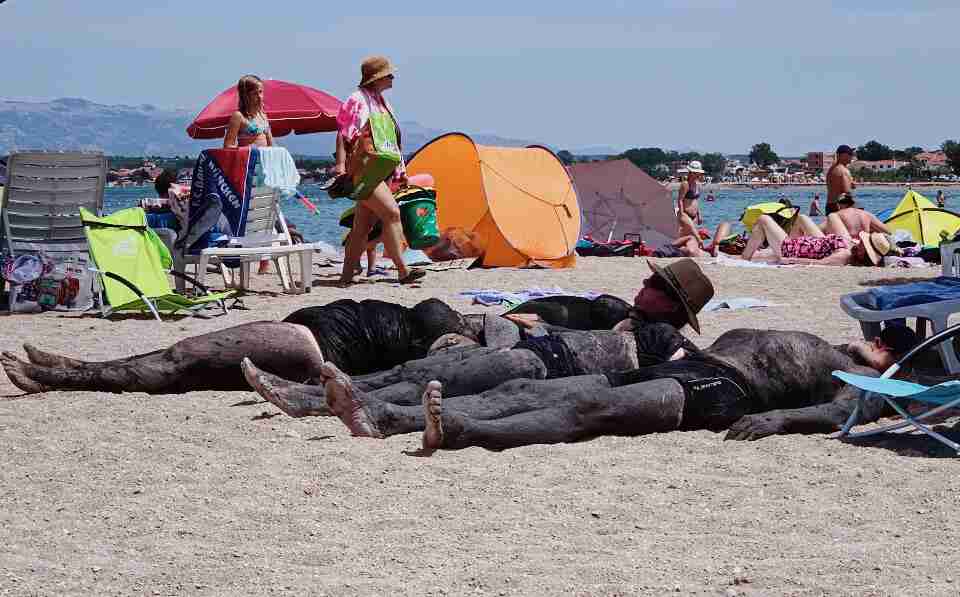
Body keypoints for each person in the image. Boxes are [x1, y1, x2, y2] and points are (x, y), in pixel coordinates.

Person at [0, 261, 715, 399]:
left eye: (657, 285)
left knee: (194, 356)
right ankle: (73, 372)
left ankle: (71, 374)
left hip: (343, 343)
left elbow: (522, 340)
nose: (644, 283)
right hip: (361, 325)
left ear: (664, 305)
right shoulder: (600, 309)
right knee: (196, 366)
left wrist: (488, 332)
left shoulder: (631, 337)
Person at [244, 320, 919, 453]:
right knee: (540, 392)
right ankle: (377, 414)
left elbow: (842, 412)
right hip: (688, 367)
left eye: (882, 336)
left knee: (587, 408)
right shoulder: (837, 344)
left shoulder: (866, 380)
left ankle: (463, 430)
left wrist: (784, 422)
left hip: (719, 396)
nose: (870, 334)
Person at [335, 56, 423, 285]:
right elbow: (344, 132)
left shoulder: (380, 101)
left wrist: (399, 171)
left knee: (362, 227)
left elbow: (390, 141)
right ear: (378, 78)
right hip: (365, 171)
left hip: (378, 170)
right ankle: (403, 270)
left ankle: (345, 276)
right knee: (392, 214)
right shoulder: (358, 100)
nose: (393, 77)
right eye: (389, 74)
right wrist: (341, 167)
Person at [742, 212, 895, 266]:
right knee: (802, 218)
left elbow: (818, 263)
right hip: (820, 243)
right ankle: (772, 247)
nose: (862, 241)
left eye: (865, 244)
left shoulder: (844, 256)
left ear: (863, 254)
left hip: (791, 249)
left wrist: (790, 260)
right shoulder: (853, 248)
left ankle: (745, 258)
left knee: (763, 219)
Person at [223, 75, 274, 149]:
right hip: (248, 159)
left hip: (264, 158)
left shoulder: (263, 115)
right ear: (246, 96)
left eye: (260, 92)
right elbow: (227, 146)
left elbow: (270, 145)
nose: (259, 96)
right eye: (254, 93)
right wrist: (247, 150)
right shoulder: (238, 116)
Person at [676, 161, 705, 239]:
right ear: (690, 172)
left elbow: (695, 201)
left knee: (691, 237)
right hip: (686, 214)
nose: (697, 175)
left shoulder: (697, 184)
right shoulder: (685, 184)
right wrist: (682, 214)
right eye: (695, 173)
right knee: (684, 237)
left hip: (694, 216)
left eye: (698, 173)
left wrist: (699, 215)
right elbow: (680, 200)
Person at [825, 145, 856, 214]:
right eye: (850, 154)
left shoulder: (831, 169)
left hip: (829, 205)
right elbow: (847, 192)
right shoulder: (844, 171)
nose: (852, 156)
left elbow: (836, 186)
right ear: (843, 155)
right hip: (840, 207)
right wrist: (855, 209)